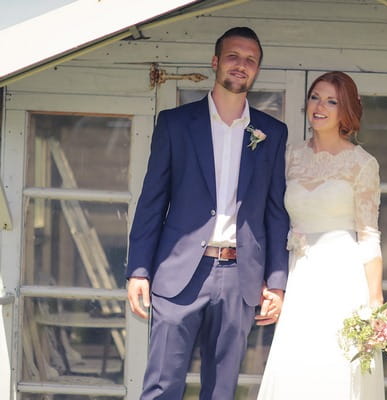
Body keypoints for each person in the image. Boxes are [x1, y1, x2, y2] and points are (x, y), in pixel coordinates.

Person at [125, 27, 289, 400]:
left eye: (250, 60)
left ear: (257, 69)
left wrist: (277, 281)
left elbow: (275, 212)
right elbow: (152, 201)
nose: (241, 65)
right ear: (216, 62)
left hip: (240, 278)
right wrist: (139, 270)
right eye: (233, 56)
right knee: (162, 386)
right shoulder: (175, 124)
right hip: (178, 274)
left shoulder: (272, 132)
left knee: (221, 391)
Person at [257, 71, 385, 399]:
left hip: (342, 277)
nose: (320, 106)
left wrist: (374, 303)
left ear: (346, 112)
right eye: (315, 97)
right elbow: (271, 220)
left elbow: (369, 235)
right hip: (299, 275)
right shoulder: (289, 158)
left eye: (332, 101)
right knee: (296, 368)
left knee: (336, 367)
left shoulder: (362, 164)